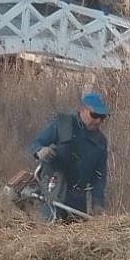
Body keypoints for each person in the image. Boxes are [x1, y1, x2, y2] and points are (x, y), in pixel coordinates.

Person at [28, 91, 110, 220]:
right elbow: (37, 143)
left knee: (76, 236)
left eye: (102, 117)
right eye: (94, 115)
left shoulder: (100, 142)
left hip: (78, 199)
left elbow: (99, 176)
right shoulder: (63, 125)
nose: (98, 121)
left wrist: (97, 203)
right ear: (83, 110)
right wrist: (40, 151)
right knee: (49, 232)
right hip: (54, 191)